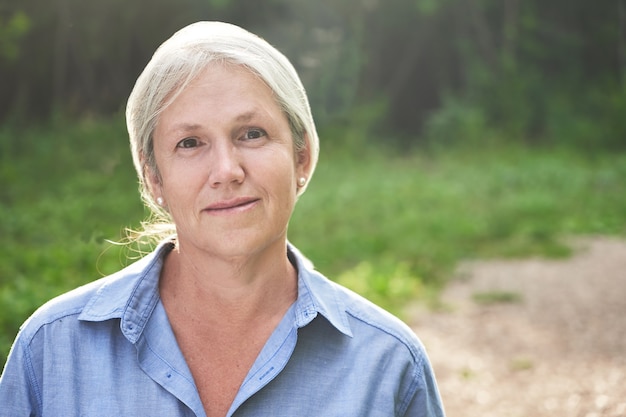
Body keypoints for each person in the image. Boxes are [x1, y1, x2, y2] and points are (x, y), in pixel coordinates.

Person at [0, 21, 445, 417]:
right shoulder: (51, 351)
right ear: (153, 177)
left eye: (252, 134)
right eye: (190, 143)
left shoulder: (388, 363)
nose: (227, 171)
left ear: (302, 156)